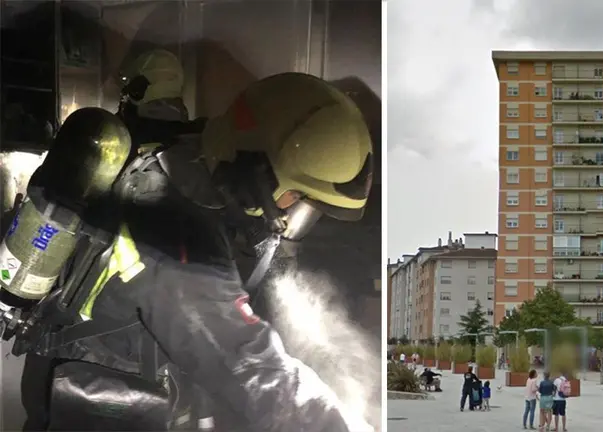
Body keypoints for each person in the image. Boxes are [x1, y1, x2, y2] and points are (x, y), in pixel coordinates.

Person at [13, 71, 375, 431]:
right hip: (95, 403)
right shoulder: (176, 235)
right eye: (294, 196)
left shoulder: (183, 161)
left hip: (92, 377)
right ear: (256, 171)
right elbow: (248, 364)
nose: (286, 212)